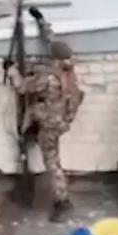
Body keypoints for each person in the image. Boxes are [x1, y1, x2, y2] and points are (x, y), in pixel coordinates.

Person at [20, 40, 84, 222]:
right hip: (61, 121)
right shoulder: (69, 73)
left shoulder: (48, 77)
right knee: (54, 159)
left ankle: (63, 202)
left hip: (49, 124)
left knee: (52, 163)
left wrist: (12, 72)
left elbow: (23, 87)